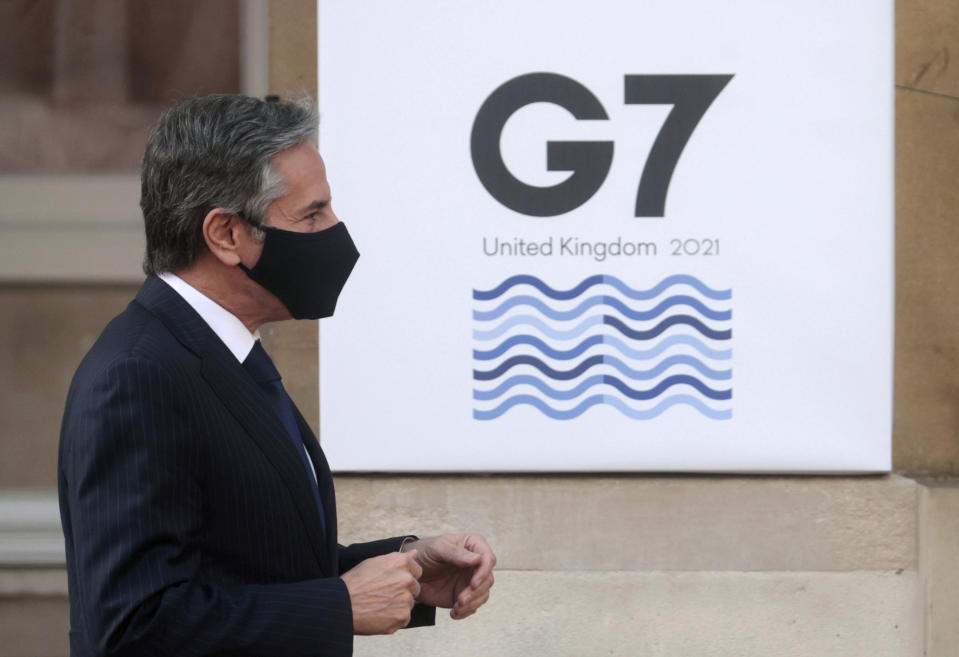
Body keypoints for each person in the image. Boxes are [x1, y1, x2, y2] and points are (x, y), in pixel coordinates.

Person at [57, 94, 496, 657]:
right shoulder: (139, 378)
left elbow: (253, 564)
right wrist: (339, 605)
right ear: (225, 235)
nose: (335, 230)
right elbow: (133, 628)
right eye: (312, 214)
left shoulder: (221, 352)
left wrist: (411, 567)